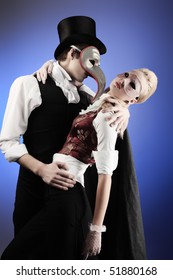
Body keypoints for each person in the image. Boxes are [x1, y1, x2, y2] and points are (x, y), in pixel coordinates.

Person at [0, 16, 130, 259]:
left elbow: (112, 109)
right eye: (92, 61)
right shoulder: (28, 84)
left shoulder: (90, 97)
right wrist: (42, 170)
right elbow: (7, 142)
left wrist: (125, 109)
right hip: (32, 193)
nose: (96, 70)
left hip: (71, 198)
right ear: (72, 53)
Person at [0, 64, 158, 259]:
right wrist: (51, 64)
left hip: (68, 196)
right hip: (57, 193)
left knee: (15, 259)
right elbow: (74, 81)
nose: (123, 80)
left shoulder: (110, 118)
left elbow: (106, 177)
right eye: (126, 75)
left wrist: (96, 231)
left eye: (132, 84)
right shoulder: (98, 102)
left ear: (134, 100)